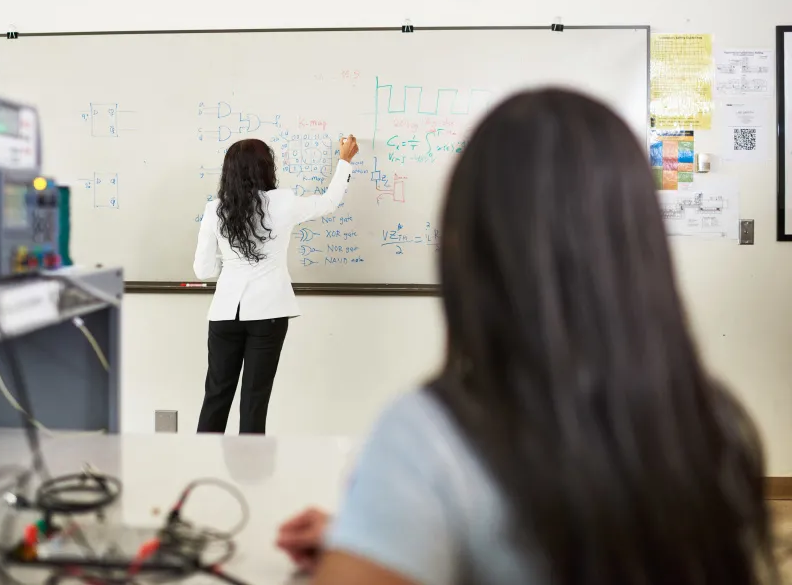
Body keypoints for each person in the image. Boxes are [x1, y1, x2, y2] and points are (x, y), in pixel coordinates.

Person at [275, 90, 775, 585]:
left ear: (465, 244)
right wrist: (387, 534)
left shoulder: (428, 440)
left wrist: (382, 529)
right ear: (641, 241)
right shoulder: (714, 424)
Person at [193, 135, 359, 434]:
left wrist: (230, 266)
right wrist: (344, 161)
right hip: (268, 313)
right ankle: (248, 476)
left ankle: (200, 470)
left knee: (216, 396)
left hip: (224, 315)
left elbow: (203, 270)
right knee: (255, 400)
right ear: (266, 167)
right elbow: (328, 203)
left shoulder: (214, 209)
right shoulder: (282, 203)